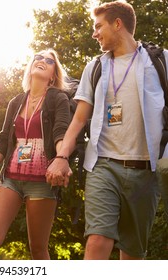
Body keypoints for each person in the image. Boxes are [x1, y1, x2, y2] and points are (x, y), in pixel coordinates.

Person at [46, 1, 167, 260]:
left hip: (147, 172)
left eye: (98, 26)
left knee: (132, 254)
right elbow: (78, 120)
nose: (94, 33)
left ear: (118, 24)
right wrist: (61, 157)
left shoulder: (161, 61)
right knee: (97, 241)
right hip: (104, 167)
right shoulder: (96, 67)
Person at [0, 50, 71, 260]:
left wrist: (62, 159)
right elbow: (2, 139)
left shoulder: (58, 98)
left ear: (53, 74)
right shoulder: (16, 102)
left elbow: (61, 131)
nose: (42, 61)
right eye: (38, 57)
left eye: (49, 60)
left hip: (42, 182)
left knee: (37, 248)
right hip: (10, 179)